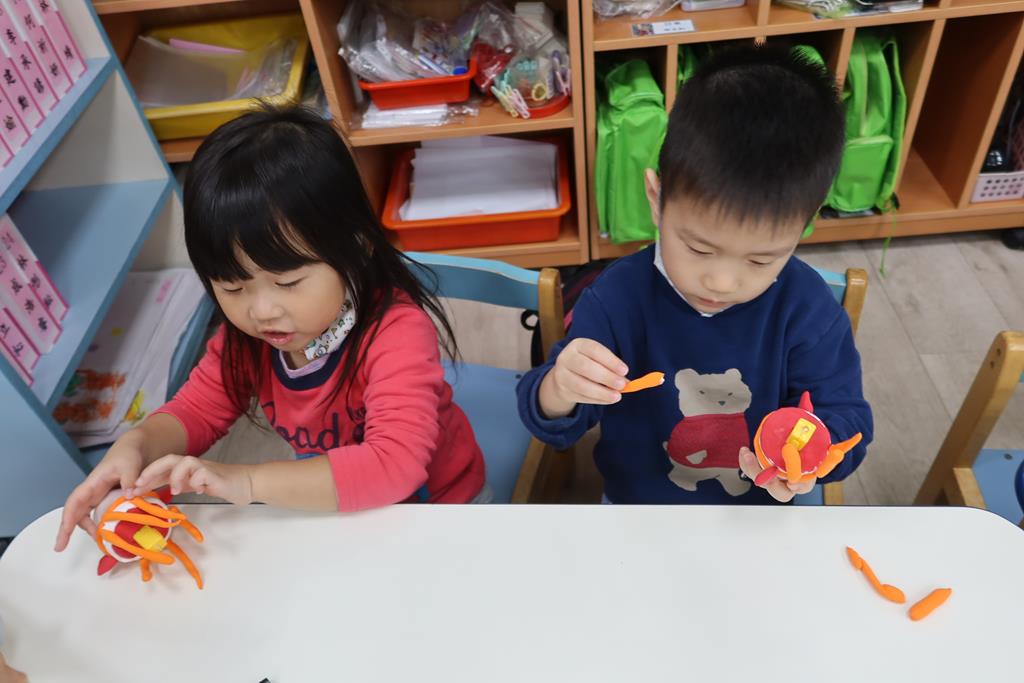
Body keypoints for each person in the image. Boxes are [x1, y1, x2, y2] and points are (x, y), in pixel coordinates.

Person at [55, 106, 487, 552]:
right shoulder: (246, 342)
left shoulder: (396, 333)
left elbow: (394, 464)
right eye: (233, 287)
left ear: (355, 248)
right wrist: (136, 445)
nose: (262, 312)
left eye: (288, 283)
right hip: (339, 509)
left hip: (443, 508)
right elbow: (196, 410)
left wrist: (247, 481)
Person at [518, 45, 873, 504]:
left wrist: (812, 456)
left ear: (806, 223)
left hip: (762, 509)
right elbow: (556, 424)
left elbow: (847, 420)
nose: (722, 283)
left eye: (760, 260)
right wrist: (560, 387)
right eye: (698, 248)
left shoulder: (807, 309)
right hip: (638, 504)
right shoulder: (617, 298)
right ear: (656, 199)